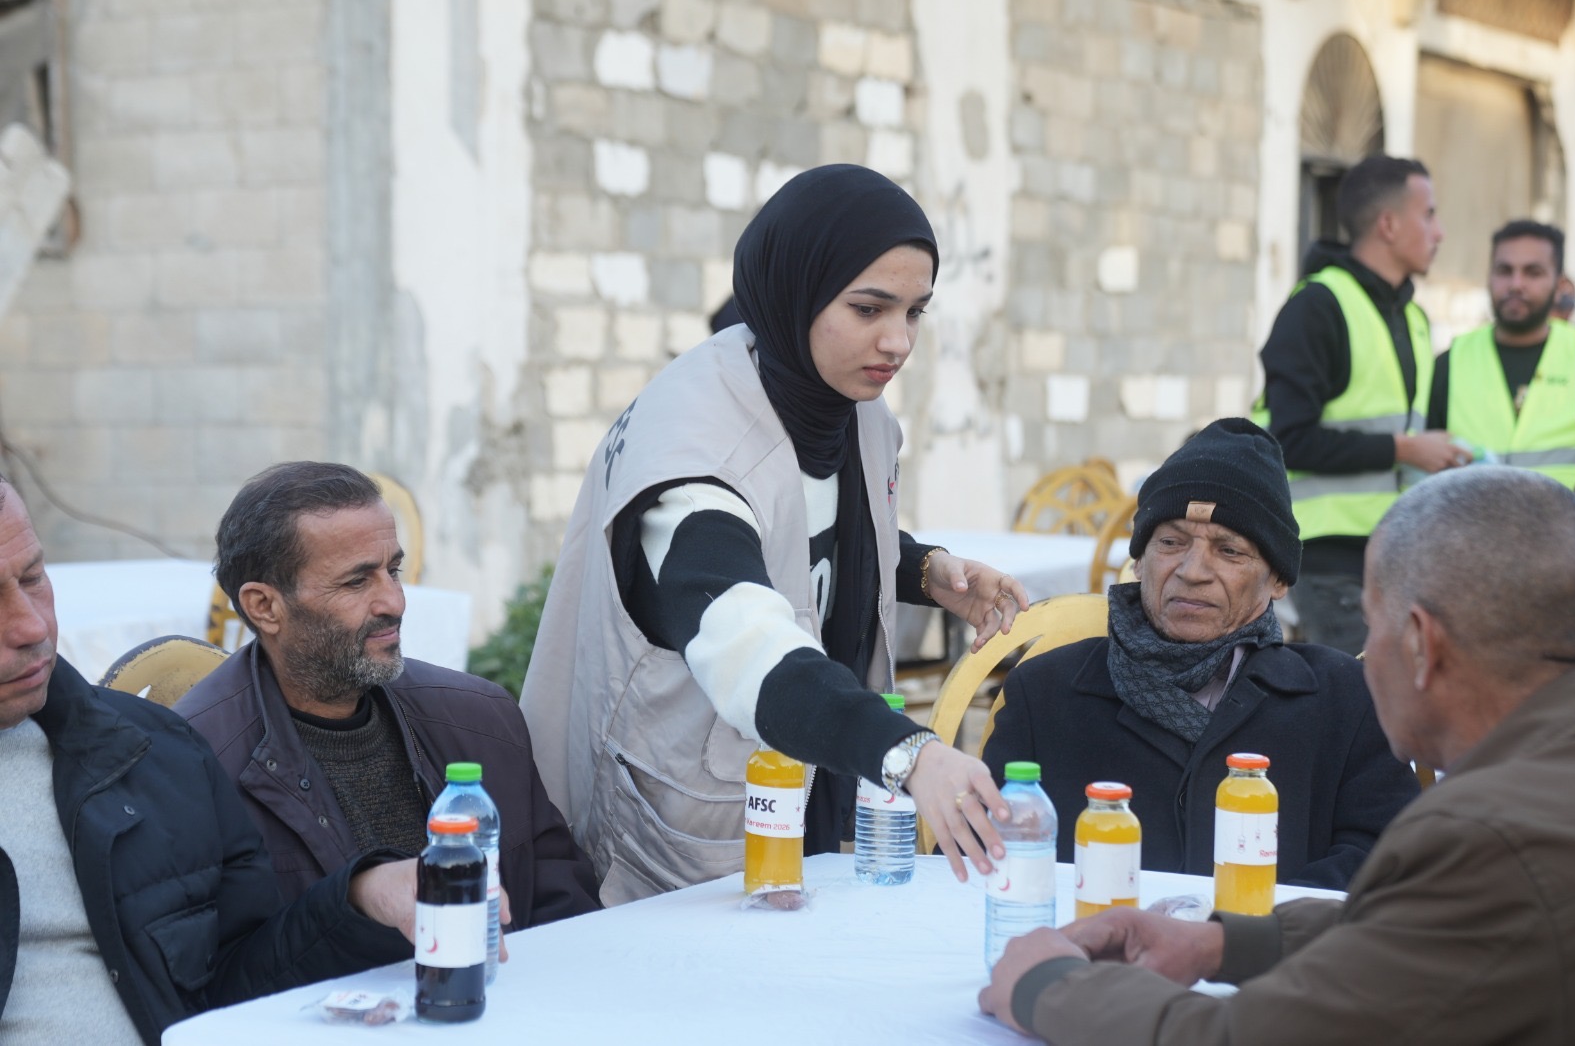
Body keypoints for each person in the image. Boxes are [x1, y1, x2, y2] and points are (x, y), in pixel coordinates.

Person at [523, 164, 1031, 904]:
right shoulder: (694, 459)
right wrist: (909, 754)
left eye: (915, 312)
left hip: (797, 776)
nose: (898, 342)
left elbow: (806, 528)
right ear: (795, 287)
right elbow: (747, 643)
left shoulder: (830, 398)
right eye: (869, 308)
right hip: (680, 821)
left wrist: (925, 571)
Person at [979, 466, 1575, 1044]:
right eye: (1172, 543)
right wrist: (1223, 943)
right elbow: (1430, 929)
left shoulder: (1488, 834)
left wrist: (1051, 987)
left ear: (1419, 644)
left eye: (1369, 626)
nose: (1194, 571)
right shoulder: (1559, 773)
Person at [0, 475, 416, 1044]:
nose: (28, 625)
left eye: (32, 578)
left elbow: (235, 984)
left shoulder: (155, 754)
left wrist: (361, 899)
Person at [983, 419, 1417, 889]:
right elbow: (981, 858)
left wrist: (1244, 931)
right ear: (1139, 558)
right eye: (1171, 542)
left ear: (1278, 580)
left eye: (1229, 550)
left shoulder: (1345, 701)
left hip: (1275, 956)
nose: (1193, 571)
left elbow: (1386, 860)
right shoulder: (1044, 693)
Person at [176, 462, 600, 928]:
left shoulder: (480, 720)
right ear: (265, 606)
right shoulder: (194, 767)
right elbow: (214, 978)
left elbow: (567, 913)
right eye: (357, 581)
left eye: (392, 570)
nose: (394, 602)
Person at [1256, 155, 1463, 655]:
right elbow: (1289, 439)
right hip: (1321, 559)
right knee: (1360, 711)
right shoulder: (1318, 306)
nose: (1439, 232)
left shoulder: (1411, 315)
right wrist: (1404, 449)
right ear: (1388, 225)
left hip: (1389, 554)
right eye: (1429, 214)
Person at [1426, 221, 1575, 487]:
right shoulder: (1450, 362)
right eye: (1504, 271)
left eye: (1533, 272)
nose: (1516, 284)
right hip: (1472, 527)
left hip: (1566, 527)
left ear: (1559, 283)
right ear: (1488, 275)